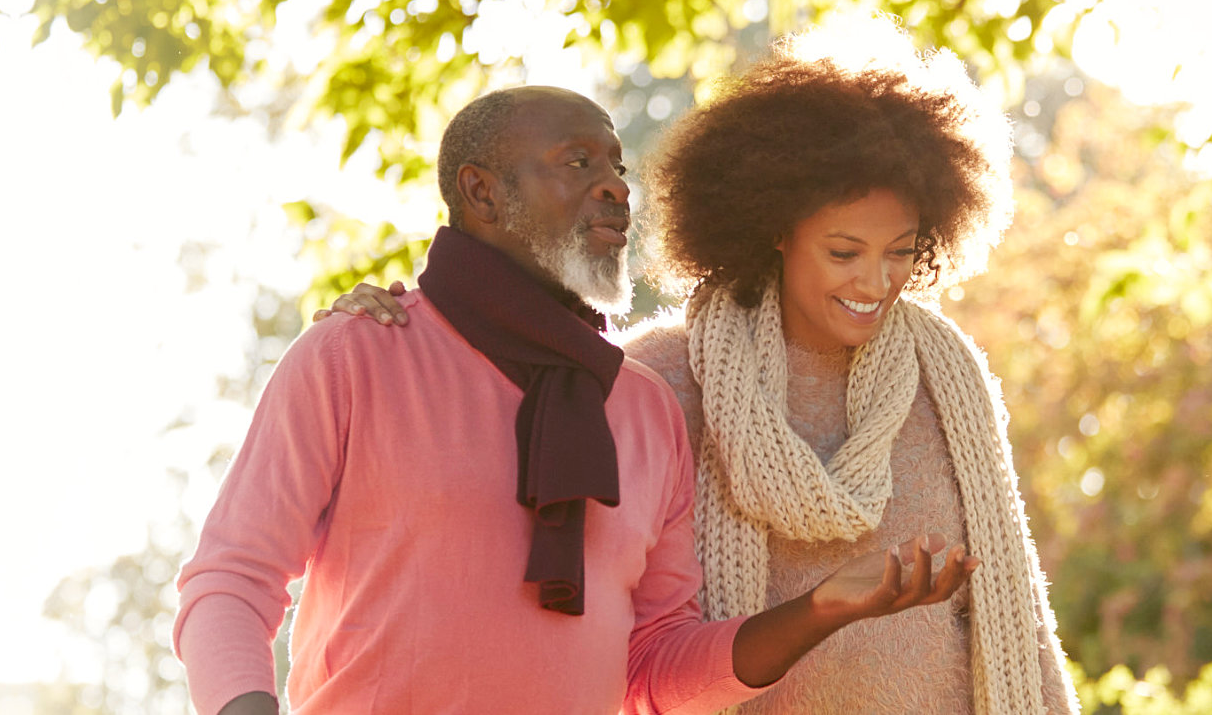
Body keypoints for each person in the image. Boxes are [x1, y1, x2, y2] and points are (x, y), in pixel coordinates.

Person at [320, 21, 1081, 715]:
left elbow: (1017, 616)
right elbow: (503, 456)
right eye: (844, 252)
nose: (875, 284)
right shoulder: (660, 383)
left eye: (901, 253)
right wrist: (411, 322)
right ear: (775, 230)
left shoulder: (946, 379)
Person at [176, 84, 982, 715]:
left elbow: (654, 670)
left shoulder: (640, 408)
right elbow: (230, 582)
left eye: (618, 167)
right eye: (578, 164)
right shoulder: (357, 354)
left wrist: (820, 611)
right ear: (481, 193)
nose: (615, 190)